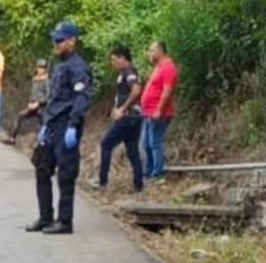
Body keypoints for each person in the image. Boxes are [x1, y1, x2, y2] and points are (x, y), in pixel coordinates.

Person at [25, 21, 93, 235]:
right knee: (41, 168)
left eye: (60, 40)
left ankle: (65, 221)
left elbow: (82, 98)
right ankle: (45, 217)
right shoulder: (58, 65)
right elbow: (56, 97)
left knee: (65, 174)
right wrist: (45, 121)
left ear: (72, 41)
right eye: (54, 40)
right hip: (52, 123)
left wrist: (73, 125)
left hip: (67, 124)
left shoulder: (78, 67)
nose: (56, 43)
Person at [90, 45, 144, 193]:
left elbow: (136, 90)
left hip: (128, 117)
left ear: (122, 58)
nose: (113, 63)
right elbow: (124, 94)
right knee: (132, 150)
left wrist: (123, 109)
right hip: (134, 116)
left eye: (114, 59)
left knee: (106, 144)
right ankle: (139, 185)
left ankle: (102, 182)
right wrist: (116, 107)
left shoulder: (129, 71)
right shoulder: (124, 73)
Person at [139, 40, 179, 182]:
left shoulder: (168, 67)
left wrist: (159, 110)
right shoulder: (158, 67)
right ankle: (148, 171)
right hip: (148, 113)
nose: (149, 53)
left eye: (152, 50)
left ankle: (157, 173)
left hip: (158, 113)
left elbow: (167, 91)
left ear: (160, 51)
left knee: (155, 143)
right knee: (146, 143)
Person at [4, 58, 49, 145]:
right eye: (39, 67)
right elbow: (32, 93)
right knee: (20, 116)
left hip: (42, 107)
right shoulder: (35, 79)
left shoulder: (46, 81)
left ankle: (43, 143)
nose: (40, 69)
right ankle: (12, 137)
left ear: (45, 69)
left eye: (42, 68)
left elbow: (48, 95)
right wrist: (31, 103)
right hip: (32, 105)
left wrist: (39, 102)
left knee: (45, 123)